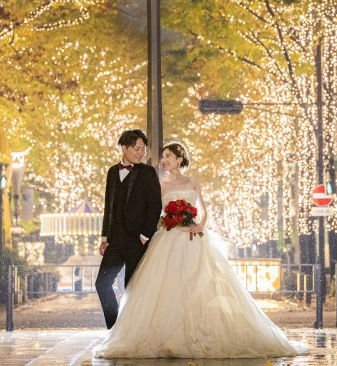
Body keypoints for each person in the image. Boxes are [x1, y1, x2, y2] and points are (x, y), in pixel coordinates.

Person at [93, 142, 307, 359]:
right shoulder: (160, 185)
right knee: (168, 286)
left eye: (168, 156)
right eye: (163, 157)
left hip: (195, 239)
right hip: (169, 239)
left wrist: (199, 225)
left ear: (179, 159)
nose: (163, 160)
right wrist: (173, 223)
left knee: (202, 284)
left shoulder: (193, 182)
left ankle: (204, 331)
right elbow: (154, 215)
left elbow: (203, 211)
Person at [95, 129, 162, 329]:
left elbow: (155, 205)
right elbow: (109, 206)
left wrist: (145, 235)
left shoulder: (148, 173)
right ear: (124, 148)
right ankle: (115, 328)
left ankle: (134, 331)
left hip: (137, 241)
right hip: (115, 241)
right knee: (102, 284)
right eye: (137, 148)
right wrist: (105, 238)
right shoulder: (112, 172)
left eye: (143, 149)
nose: (141, 153)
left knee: (132, 288)